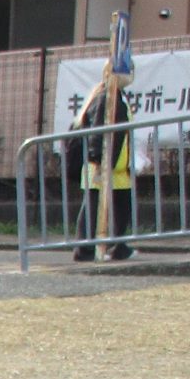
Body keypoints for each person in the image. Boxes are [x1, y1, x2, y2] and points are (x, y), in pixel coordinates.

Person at [71, 65, 135, 262]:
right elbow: (98, 132)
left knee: (121, 209)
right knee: (93, 209)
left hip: (118, 167)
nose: (131, 74)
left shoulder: (117, 97)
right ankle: (84, 250)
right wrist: (99, 160)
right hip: (101, 166)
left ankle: (118, 246)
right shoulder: (105, 98)